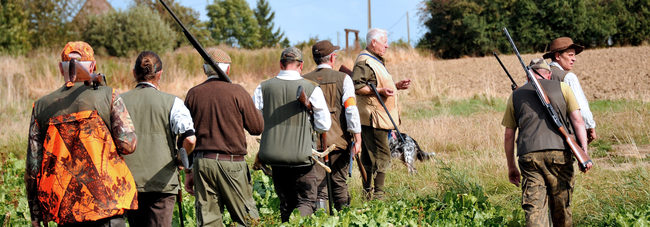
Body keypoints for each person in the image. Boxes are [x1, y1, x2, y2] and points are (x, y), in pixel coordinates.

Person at [25, 41, 138, 227]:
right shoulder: (108, 95)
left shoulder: (41, 107)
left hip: (65, 210)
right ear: (92, 66)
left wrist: (35, 214)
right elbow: (128, 145)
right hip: (107, 206)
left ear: (61, 69)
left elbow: (32, 168)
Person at [502, 58, 592, 226]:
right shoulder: (563, 88)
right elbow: (579, 122)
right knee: (562, 207)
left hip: (529, 156)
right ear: (549, 75)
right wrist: (583, 153)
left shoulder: (515, 95)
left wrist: (511, 166)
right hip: (559, 154)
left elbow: (508, 135)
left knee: (534, 209)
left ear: (528, 77)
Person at [184, 48, 264, 226]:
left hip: (202, 163)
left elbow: (186, 136)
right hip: (232, 164)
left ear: (205, 70)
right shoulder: (237, 92)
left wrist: (188, 170)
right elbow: (257, 128)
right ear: (227, 70)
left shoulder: (193, 94)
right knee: (247, 220)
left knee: (208, 222)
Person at [253, 47, 331, 222]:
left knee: (286, 203)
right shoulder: (312, 88)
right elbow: (323, 125)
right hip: (301, 157)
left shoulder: (262, 87)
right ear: (301, 65)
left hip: (274, 158)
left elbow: (254, 122)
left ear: (281, 64)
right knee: (306, 201)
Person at [121, 51, 196, 227]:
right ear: (160, 74)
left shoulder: (118, 101)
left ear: (134, 73)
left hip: (129, 182)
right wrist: (180, 159)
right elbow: (190, 139)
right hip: (163, 184)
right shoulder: (173, 102)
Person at [351, 28, 411, 200]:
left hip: (377, 116)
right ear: (373, 42)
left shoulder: (374, 60)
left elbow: (373, 84)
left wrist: (396, 86)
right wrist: (380, 90)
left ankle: (368, 193)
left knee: (371, 155)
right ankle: (378, 195)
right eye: (384, 41)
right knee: (380, 154)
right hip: (373, 117)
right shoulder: (364, 61)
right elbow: (357, 86)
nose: (387, 45)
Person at [302, 40, 362, 211]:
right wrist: (357, 138)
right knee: (339, 182)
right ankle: (344, 218)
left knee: (318, 187)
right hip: (339, 141)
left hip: (312, 143)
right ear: (332, 58)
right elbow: (351, 111)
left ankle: (321, 220)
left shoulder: (303, 80)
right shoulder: (344, 79)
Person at [543, 37, 597, 144]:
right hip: (565, 135)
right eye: (570, 55)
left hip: (539, 136)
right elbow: (581, 107)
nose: (574, 59)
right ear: (558, 56)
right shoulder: (568, 77)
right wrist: (590, 126)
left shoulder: (538, 74)